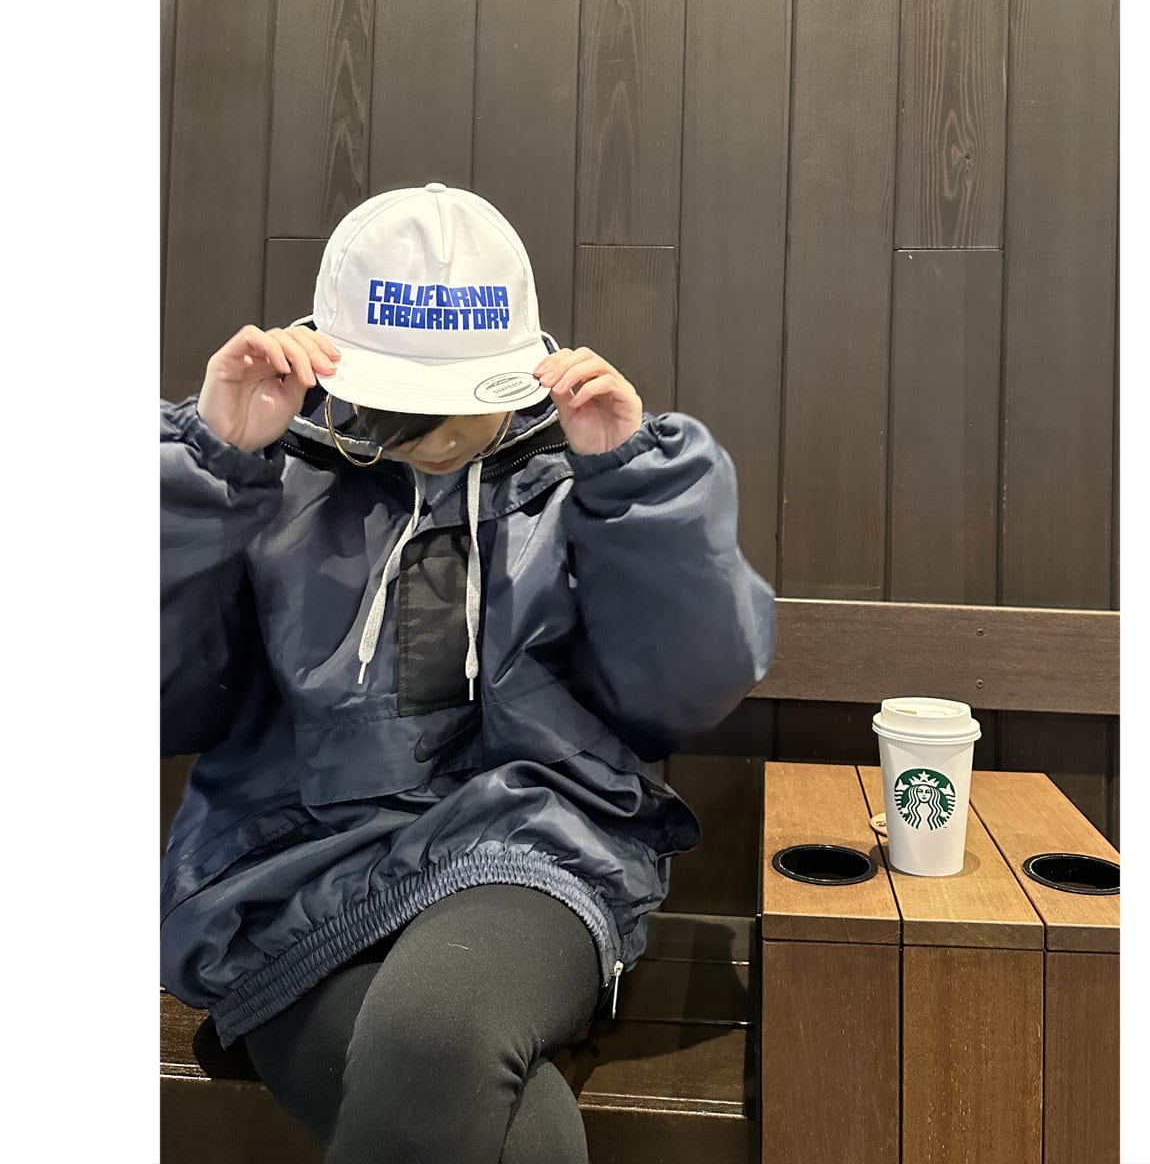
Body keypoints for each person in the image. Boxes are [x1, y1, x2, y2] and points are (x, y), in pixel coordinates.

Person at [160, 182, 777, 1163]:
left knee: (435, 1034)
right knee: (518, 1135)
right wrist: (213, 467)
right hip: (288, 868)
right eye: (410, 407)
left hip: (527, 841)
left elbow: (688, 690)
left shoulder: (585, 472)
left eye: (463, 404)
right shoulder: (265, 469)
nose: (443, 435)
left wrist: (631, 486)